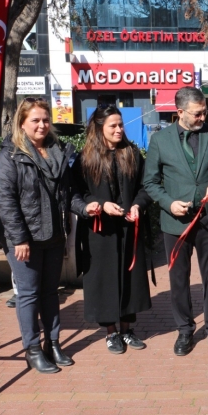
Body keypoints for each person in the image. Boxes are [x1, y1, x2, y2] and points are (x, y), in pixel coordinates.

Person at [143, 87, 208, 356]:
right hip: (176, 221)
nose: (203, 117)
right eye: (197, 113)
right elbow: (150, 181)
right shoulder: (161, 140)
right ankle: (184, 330)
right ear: (180, 112)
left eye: (204, 111)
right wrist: (168, 202)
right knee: (179, 279)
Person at [0, 97, 76, 373]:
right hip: (24, 239)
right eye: (35, 120)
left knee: (50, 292)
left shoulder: (56, 149)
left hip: (53, 234)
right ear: (22, 123)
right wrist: (19, 239)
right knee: (28, 294)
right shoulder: (11, 154)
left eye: (45, 120)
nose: (42, 125)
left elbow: (64, 194)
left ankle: (52, 343)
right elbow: (5, 200)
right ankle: (31, 348)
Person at [71, 106, 153, 354]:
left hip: (129, 228)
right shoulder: (85, 158)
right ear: (99, 128)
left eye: (121, 125)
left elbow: (146, 186)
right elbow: (77, 193)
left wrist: (138, 205)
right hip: (100, 231)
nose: (119, 130)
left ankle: (127, 329)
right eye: (113, 126)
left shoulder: (132, 153)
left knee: (130, 278)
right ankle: (110, 333)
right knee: (104, 281)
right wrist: (96, 205)